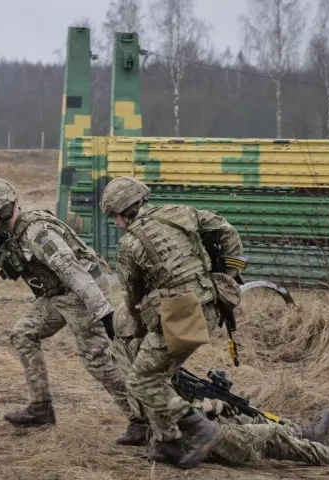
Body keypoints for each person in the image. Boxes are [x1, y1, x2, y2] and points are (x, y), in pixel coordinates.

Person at [0, 177, 147, 445]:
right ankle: (41, 407)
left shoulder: (38, 233)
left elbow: (72, 270)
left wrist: (103, 312)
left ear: (3, 208)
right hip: (58, 294)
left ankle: (140, 420)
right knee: (23, 333)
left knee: (96, 360)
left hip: (81, 293)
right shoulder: (16, 231)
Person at [99, 175, 248, 468]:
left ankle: (200, 428)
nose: (116, 223)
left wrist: (137, 319)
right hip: (208, 309)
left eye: (116, 217)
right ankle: (168, 443)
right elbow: (227, 230)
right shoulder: (183, 213)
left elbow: (131, 298)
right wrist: (229, 275)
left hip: (182, 315)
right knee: (157, 374)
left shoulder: (130, 244)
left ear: (127, 211)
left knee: (142, 380)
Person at [109, 308, 329, 471]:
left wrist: (216, 404)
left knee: (249, 414)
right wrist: (211, 406)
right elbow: (164, 412)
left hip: (191, 427)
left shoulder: (135, 363)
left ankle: (310, 433)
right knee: (268, 434)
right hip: (191, 439)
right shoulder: (145, 373)